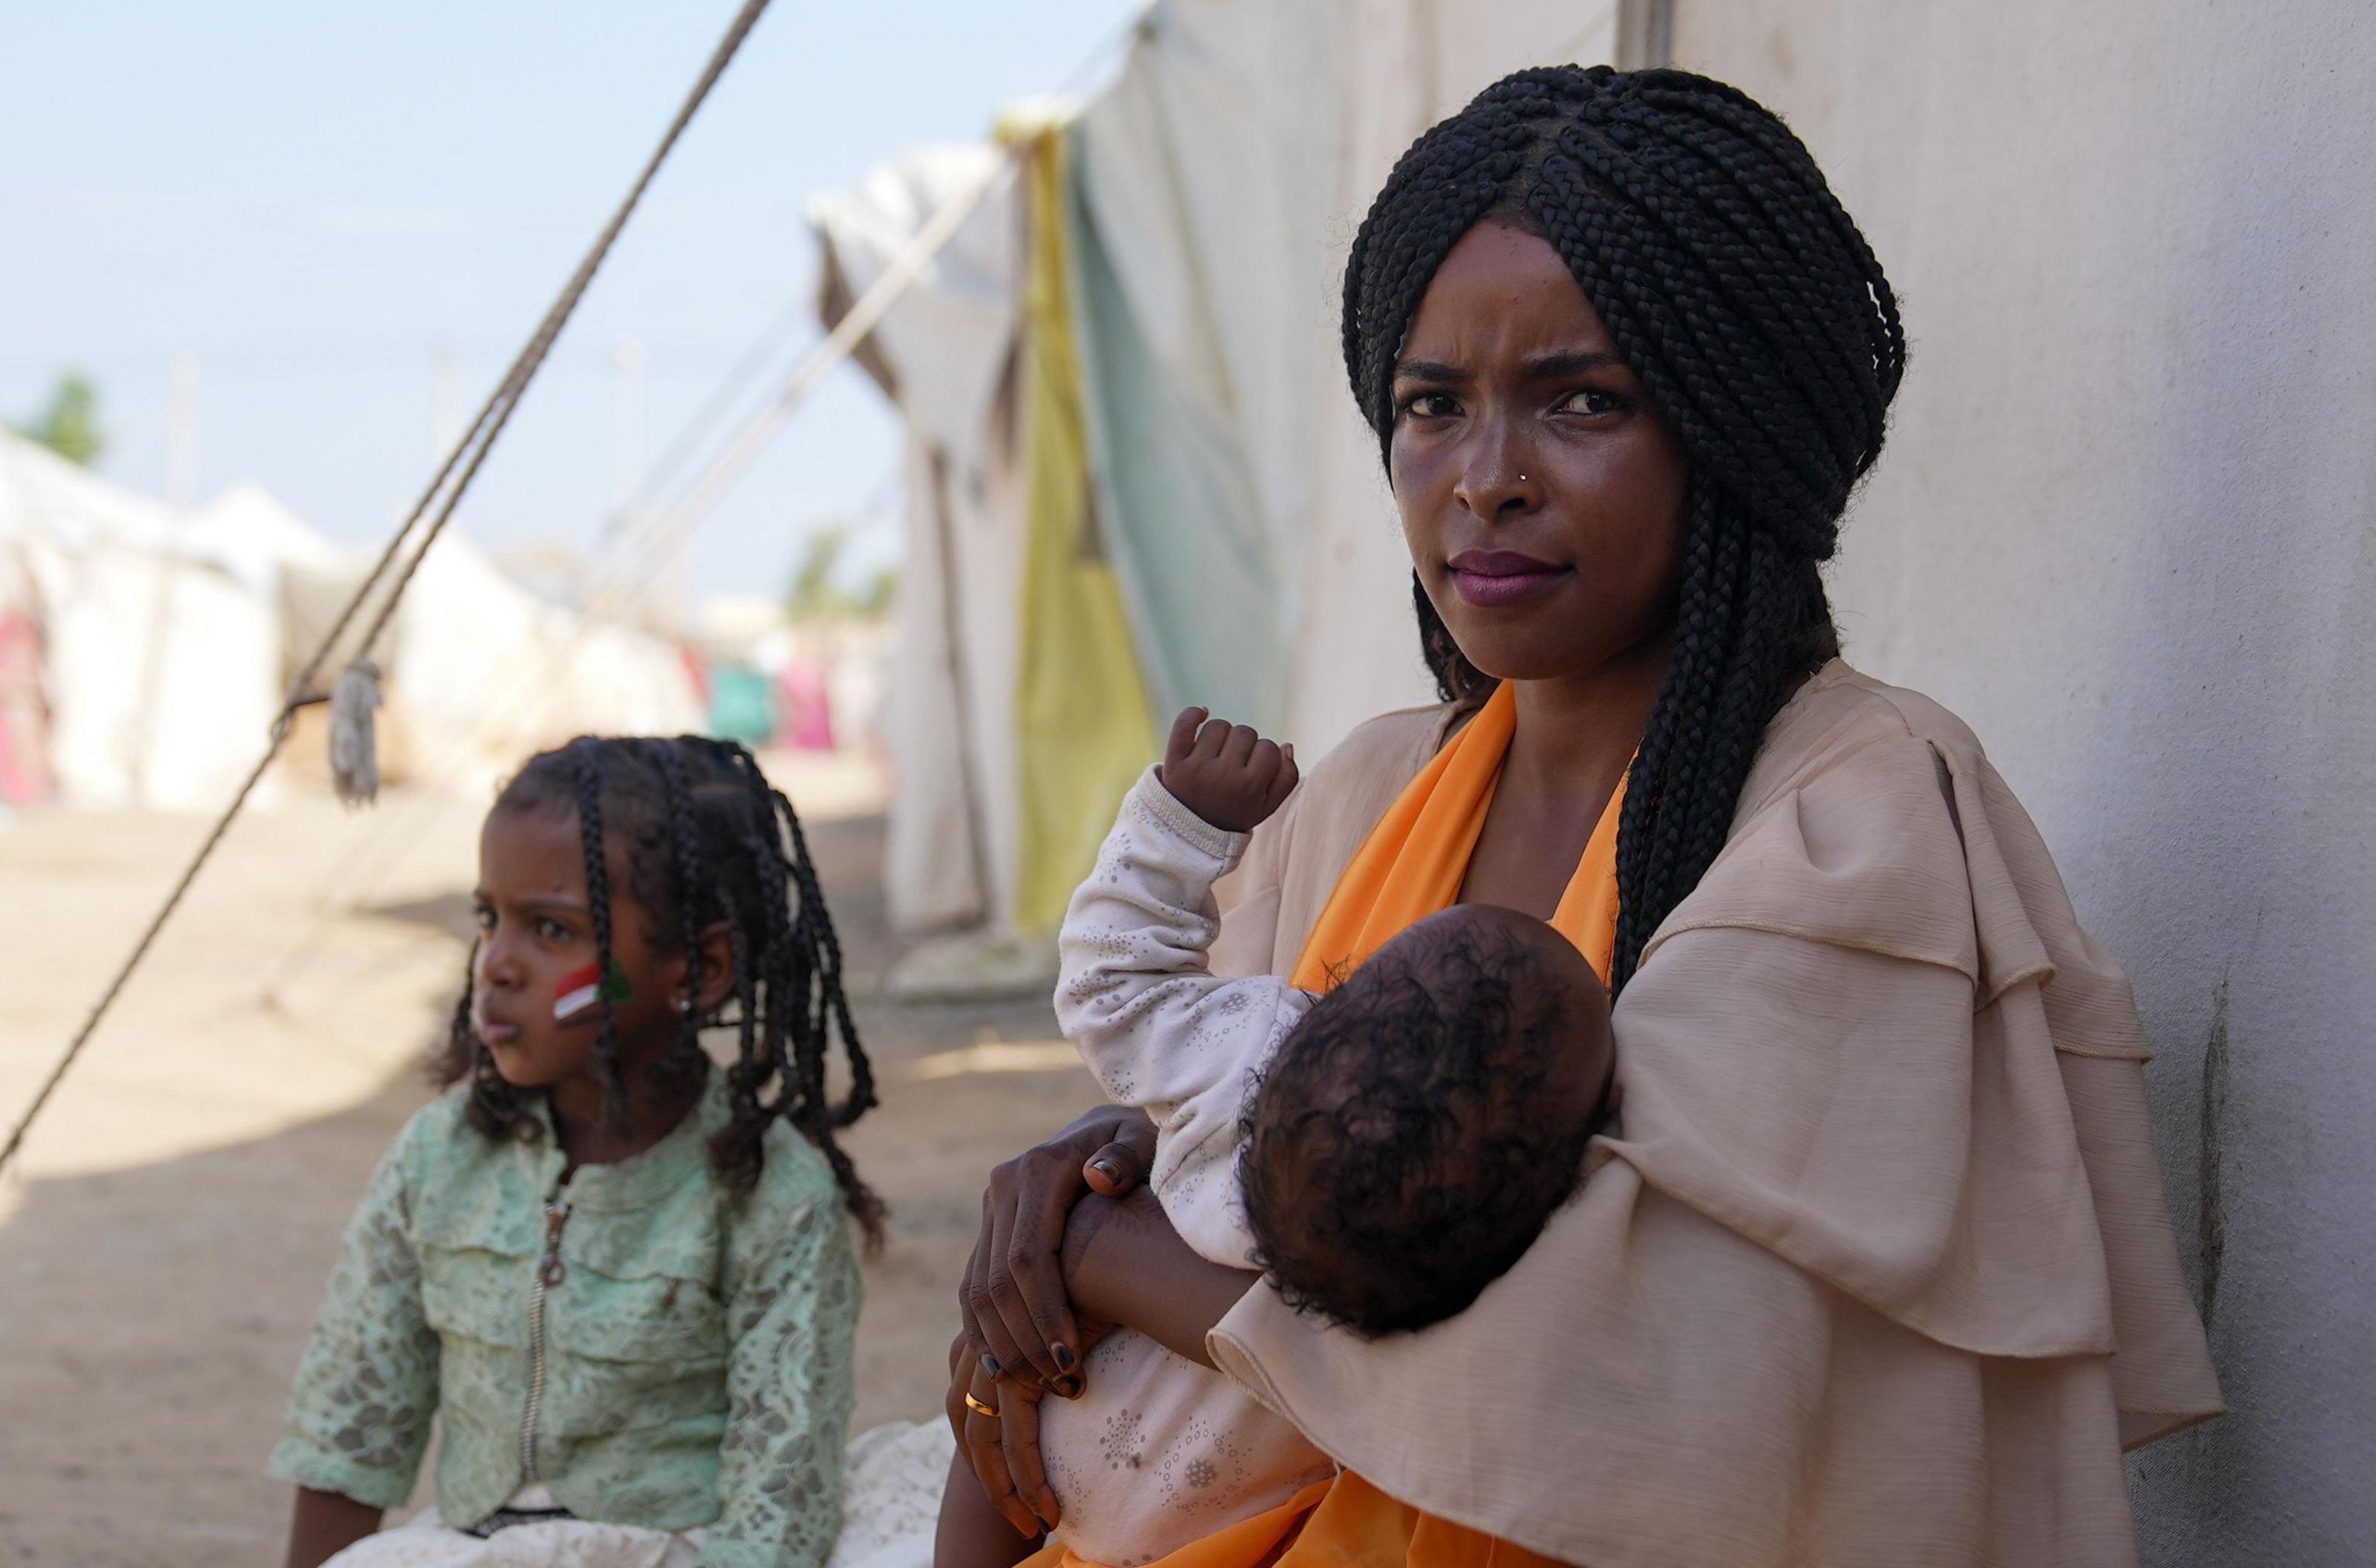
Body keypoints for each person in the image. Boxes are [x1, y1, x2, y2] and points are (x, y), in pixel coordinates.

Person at [950, 65, 2221, 1568]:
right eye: (1434, 406)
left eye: (1585, 402)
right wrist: (1093, 1169)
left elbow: (1609, 1383)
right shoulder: (1358, 792)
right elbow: (1233, 1130)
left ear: (1736, 430)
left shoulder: (1853, 824)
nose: (1484, 483)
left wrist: (1107, 1254)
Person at [936, 708, 1616, 1568]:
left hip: (1068, 1425)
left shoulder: (1261, 1047)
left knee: (987, 1399)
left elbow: (1110, 978)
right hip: (1223, 1499)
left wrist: (1181, 823)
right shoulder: (1469, 1232)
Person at [271, 736, 891, 1568]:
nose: (497, 965)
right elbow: (354, 1426)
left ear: (699, 970)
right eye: (490, 918)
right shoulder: (437, 1160)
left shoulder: (776, 1196)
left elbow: (778, 1505)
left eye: (552, 929)